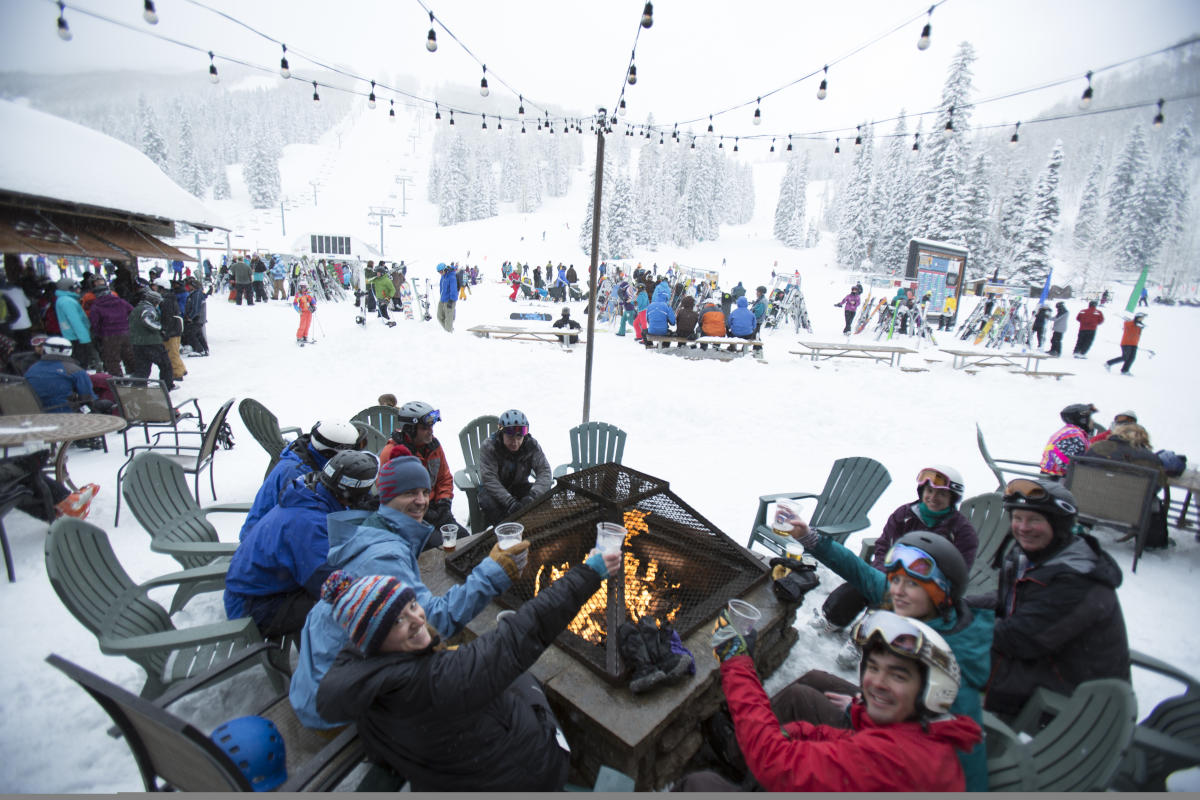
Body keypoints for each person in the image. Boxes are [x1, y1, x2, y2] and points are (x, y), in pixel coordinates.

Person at [315, 549, 621, 791]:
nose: (417, 620)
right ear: (374, 640)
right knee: (527, 680)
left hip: (448, 776)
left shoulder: (360, 680)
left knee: (502, 674)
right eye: (396, 622)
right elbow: (525, 631)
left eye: (411, 606)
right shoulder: (441, 679)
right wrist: (588, 572)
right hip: (526, 778)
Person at [289, 455, 523, 729]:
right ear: (386, 497)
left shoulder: (373, 531)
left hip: (327, 679)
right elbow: (432, 622)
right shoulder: (384, 556)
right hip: (333, 705)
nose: (422, 500)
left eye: (425, 492)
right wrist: (494, 572)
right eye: (410, 492)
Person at [782, 526, 992, 790]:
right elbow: (859, 570)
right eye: (896, 580)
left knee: (798, 698)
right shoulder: (916, 603)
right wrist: (810, 538)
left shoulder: (953, 654)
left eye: (912, 583)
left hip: (899, 757)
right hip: (891, 711)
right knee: (815, 678)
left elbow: (928, 745)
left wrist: (858, 711)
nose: (898, 591)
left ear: (941, 592)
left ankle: (743, 755)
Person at [677, 609, 980, 791]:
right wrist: (794, 732)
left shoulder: (893, 759)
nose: (877, 682)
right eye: (873, 668)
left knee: (698, 785)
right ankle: (740, 754)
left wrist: (737, 661)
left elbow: (775, 762)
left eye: (899, 675)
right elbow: (846, 742)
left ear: (931, 689)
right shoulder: (922, 734)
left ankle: (735, 759)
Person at [974, 479, 1130, 721]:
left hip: (1071, 692)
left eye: (1035, 520)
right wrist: (956, 604)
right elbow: (1009, 598)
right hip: (1044, 659)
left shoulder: (1076, 580)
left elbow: (1017, 638)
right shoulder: (1033, 555)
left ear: (1058, 525)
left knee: (952, 664)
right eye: (1017, 518)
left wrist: (957, 627)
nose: (1023, 527)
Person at [224, 451, 381, 638]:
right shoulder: (309, 524)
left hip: (259, 589)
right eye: (365, 494)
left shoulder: (310, 494)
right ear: (351, 495)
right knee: (348, 609)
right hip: (254, 607)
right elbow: (330, 584)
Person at [812, 466, 978, 641]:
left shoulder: (962, 532)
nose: (933, 498)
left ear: (952, 498)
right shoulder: (905, 514)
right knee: (861, 584)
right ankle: (834, 618)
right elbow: (884, 544)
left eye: (941, 494)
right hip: (893, 572)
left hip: (926, 589)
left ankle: (865, 637)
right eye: (929, 491)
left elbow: (959, 572)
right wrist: (881, 570)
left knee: (893, 598)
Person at [240, 420, 362, 539]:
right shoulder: (298, 475)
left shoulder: (312, 459)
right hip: (268, 542)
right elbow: (311, 524)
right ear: (331, 454)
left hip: (283, 535)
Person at [378, 400, 461, 542]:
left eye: (432, 426)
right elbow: (388, 495)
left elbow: (444, 478)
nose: (431, 430)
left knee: (464, 539)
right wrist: (424, 512)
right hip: (409, 515)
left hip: (436, 507)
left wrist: (444, 504)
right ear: (410, 429)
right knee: (439, 545)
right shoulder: (392, 453)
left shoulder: (434, 446)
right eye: (425, 427)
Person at [477, 409, 552, 527]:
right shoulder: (490, 447)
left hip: (519, 485)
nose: (515, 442)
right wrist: (509, 502)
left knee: (545, 500)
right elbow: (489, 479)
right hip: (492, 489)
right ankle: (506, 531)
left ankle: (537, 528)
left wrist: (532, 496)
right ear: (502, 433)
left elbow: (545, 472)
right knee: (489, 503)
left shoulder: (531, 445)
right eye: (510, 437)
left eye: (519, 437)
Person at [24, 336, 110, 413]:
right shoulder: (75, 371)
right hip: (65, 414)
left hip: (36, 413)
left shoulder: (32, 369)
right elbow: (88, 398)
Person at [126, 288, 175, 390]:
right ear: (154, 301)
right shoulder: (148, 309)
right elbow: (147, 320)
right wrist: (160, 327)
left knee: (142, 368)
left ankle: (139, 387)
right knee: (165, 364)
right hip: (151, 342)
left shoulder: (136, 309)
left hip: (137, 343)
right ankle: (167, 386)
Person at [86, 280, 134, 376]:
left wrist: (99, 333)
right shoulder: (120, 301)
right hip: (125, 332)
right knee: (129, 355)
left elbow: (94, 323)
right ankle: (135, 375)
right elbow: (132, 311)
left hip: (108, 335)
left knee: (112, 359)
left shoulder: (96, 306)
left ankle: (118, 379)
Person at [1040, 403, 1097, 478]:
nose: (1093, 421)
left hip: (1051, 476)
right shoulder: (1074, 436)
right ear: (1083, 420)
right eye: (1090, 418)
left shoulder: (1069, 431)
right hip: (1058, 480)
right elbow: (1069, 463)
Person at [54, 278, 97, 370]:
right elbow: (75, 321)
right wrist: (85, 338)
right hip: (76, 337)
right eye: (76, 288)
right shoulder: (67, 302)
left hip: (72, 335)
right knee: (80, 361)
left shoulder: (64, 300)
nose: (79, 290)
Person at [436, 263, 457, 333]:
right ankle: (449, 330)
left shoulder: (451, 277)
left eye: (441, 271)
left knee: (448, 319)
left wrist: (451, 300)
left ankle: (449, 332)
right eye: (439, 272)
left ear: (445, 269)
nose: (440, 273)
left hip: (450, 300)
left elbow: (454, 290)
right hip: (442, 299)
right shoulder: (443, 276)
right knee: (439, 316)